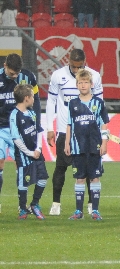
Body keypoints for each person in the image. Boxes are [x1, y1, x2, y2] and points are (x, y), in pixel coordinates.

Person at [45, 48, 103, 216]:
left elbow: (99, 104)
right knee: (61, 167)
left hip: (89, 132)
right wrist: (50, 127)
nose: (77, 70)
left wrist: (100, 132)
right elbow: (51, 101)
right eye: (74, 66)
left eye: (80, 67)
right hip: (65, 130)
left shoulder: (94, 77)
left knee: (89, 169)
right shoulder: (58, 76)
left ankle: (91, 204)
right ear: (68, 62)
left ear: (85, 63)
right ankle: (56, 203)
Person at [64, 69, 109, 221]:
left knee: (95, 177)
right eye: (80, 82)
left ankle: (95, 210)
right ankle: (78, 211)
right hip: (78, 146)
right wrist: (67, 143)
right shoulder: (72, 103)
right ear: (77, 85)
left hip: (95, 146)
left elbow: (104, 125)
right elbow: (69, 125)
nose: (83, 85)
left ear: (91, 84)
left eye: (85, 82)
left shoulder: (99, 103)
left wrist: (104, 143)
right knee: (79, 178)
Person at [0, 54, 41, 215]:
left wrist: (36, 122)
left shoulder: (29, 77)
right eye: (11, 73)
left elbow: (36, 99)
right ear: (5, 66)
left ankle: (22, 205)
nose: (15, 76)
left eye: (17, 73)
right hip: (2, 128)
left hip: (21, 128)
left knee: (22, 166)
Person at [10, 84, 48, 220]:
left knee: (43, 178)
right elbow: (16, 138)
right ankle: (22, 209)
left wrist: (38, 148)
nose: (34, 98)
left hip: (37, 153)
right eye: (32, 96)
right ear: (26, 98)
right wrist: (29, 153)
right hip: (23, 156)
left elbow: (38, 131)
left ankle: (34, 204)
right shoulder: (14, 115)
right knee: (23, 183)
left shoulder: (32, 113)